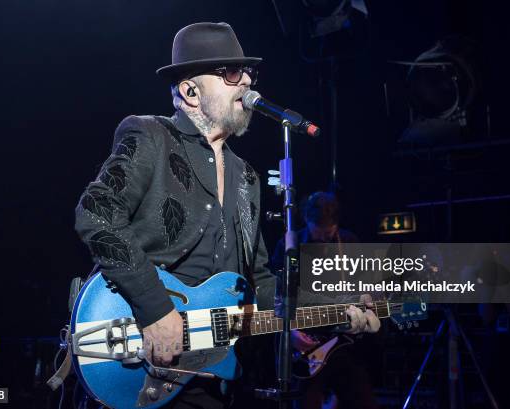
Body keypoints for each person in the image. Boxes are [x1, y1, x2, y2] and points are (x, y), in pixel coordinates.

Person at [75, 23, 376, 408]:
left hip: (213, 377)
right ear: (190, 91)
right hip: (141, 358)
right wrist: (155, 309)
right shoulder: (151, 136)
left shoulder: (246, 177)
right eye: (232, 73)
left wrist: (334, 308)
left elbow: (260, 283)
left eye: (249, 72)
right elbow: (96, 214)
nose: (247, 80)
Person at [271, 191, 380, 409]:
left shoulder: (349, 243)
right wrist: (290, 331)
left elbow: (368, 287)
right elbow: (273, 292)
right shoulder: (290, 245)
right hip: (304, 345)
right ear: (307, 222)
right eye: (318, 233)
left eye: (328, 234)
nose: (323, 239)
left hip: (343, 344)